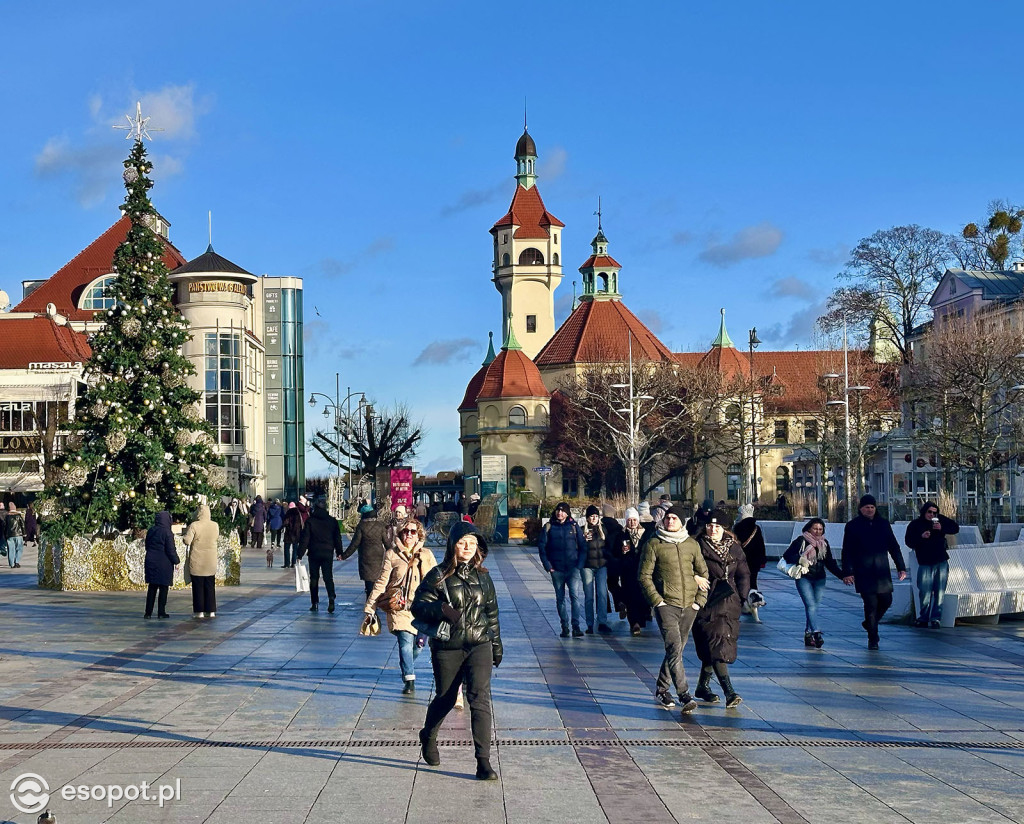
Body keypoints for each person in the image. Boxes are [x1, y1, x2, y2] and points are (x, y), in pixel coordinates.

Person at [412, 521, 502, 780]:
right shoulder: (438, 575)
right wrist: (441, 609)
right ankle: (428, 734)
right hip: (448, 646)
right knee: (446, 697)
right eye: (463, 542)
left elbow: (492, 613)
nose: (467, 547)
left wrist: (496, 645)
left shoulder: (483, 576)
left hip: (479, 644)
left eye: (472, 543)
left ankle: (483, 762)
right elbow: (418, 606)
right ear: (453, 544)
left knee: (479, 699)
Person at [638, 505, 709, 712]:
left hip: (689, 606)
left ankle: (661, 689)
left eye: (674, 518)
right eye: (667, 518)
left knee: (676, 651)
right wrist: (657, 601)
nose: (670, 522)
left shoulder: (691, 544)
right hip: (666, 605)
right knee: (673, 648)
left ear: (682, 521)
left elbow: (703, 573)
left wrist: (698, 602)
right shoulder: (654, 543)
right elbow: (643, 576)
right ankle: (684, 694)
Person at [364, 519, 437, 693]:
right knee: (405, 643)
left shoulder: (426, 554)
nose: (409, 535)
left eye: (413, 531)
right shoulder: (392, 554)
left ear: (419, 534)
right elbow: (382, 581)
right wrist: (370, 606)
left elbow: (437, 580)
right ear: (400, 534)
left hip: (423, 608)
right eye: (405, 531)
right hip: (400, 607)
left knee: (418, 646)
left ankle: (406, 663)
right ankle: (409, 680)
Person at [692, 509, 750, 707]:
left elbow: (743, 573)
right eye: (710, 525)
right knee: (716, 644)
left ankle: (702, 686)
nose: (713, 529)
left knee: (717, 644)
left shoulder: (734, 547)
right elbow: (684, 568)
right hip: (707, 601)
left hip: (730, 601)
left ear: (724, 528)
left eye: (717, 526)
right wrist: (695, 578)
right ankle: (730, 692)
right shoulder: (696, 545)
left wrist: (742, 596)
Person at [842, 494, 907, 650]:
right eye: (866, 507)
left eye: (872, 507)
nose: (870, 510)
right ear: (861, 509)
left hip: (881, 571)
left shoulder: (883, 524)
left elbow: (894, 546)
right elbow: (847, 551)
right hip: (863, 571)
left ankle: (869, 623)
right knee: (870, 605)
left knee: (886, 601)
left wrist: (901, 567)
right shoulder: (852, 526)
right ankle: (873, 638)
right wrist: (847, 572)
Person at [782, 518, 847, 648]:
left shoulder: (824, 543)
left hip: (820, 579)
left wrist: (843, 576)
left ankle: (808, 634)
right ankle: (816, 632)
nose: (817, 531)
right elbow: (787, 555)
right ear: (809, 529)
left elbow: (830, 563)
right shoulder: (801, 541)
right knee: (810, 605)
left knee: (813, 607)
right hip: (804, 577)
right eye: (815, 529)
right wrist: (800, 559)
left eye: (820, 529)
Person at [904, 501, 960, 628]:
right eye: (929, 512)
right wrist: (921, 536)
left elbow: (955, 528)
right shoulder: (916, 524)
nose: (932, 515)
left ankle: (936, 618)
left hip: (940, 560)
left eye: (935, 512)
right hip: (925, 561)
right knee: (924, 591)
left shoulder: (939, 521)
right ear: (924, 512)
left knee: (939, 591)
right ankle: (923, 617)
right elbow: (909, 541)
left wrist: (942, 528)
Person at [537, 501, 587, 637]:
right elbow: (542, 547)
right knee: (560, 599)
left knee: (574, 597)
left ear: (567, 513)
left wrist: (579, 565)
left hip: (573, 568)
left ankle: (576, 626)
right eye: (558, 510)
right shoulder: (549, 527)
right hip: (556, 569)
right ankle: (564, 626)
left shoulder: (574, 526)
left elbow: (583, 547)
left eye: (563, 511)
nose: (560, 513)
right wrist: (548, 566)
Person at [607, 507, 653, 635]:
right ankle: (634, 623)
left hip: (643, 569)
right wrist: (621, 554)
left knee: (642, 596)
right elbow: (615, 552)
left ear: (638, 520)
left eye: (634, 520)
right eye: (629, 520)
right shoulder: (621, 535)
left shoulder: (646, 533)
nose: (632, 522)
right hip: (627, 570)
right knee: (630, 596)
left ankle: (641, 619)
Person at [297, 500, 344, 613]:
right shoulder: (332, 521)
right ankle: (331, 597)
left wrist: (300, 554)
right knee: (328, 577)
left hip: (314, 553)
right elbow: (337, 538)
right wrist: (339, 552)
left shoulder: (310, 521)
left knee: (314, 578)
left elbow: (305, 539)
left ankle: (314, 603)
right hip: (327, 553)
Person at [342, 502, 390, 599]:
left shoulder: (361, 526)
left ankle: (370, 600)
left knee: (369, 580)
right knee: (378, 577)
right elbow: (386, 542)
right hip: (378, 555)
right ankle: (377, 599)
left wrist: (344, 555)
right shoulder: (380, 525)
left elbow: (354, 544)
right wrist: (394, 552)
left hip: (366, 556)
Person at [183, 504, 220, 619]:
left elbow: (187, 541)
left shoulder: (194, 525)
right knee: (210, 586)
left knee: (198, 587)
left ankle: (199, 612)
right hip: (210, 560)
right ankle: (211, 611)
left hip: (198, 560)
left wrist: (184, 537)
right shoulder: (215, 525)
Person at [581, 505, 612, 634]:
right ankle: (589, 623)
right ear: (587, 518)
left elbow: (609, 545)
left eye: (595, 516)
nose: (593, 518)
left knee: (602, 594)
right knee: (589, 596)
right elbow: (577, 547)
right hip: (587, 566)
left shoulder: (603, 529)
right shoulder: (582, 530)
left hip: (601, 566)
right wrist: (583, 541)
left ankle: (602, 622)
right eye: (591, 516)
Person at [734, 504, 767, 617]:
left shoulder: (737, 527)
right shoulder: (756, 528)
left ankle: (743, 604)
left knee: (740, 581)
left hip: (741, 560)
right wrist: (762, 559)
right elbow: (761, 545)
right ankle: (753, 606)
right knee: (753, 582)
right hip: (755, 561)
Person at [144, 511, 179, 619]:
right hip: (164, 563)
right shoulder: (167, 532)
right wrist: (176, 561)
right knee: (163, 588)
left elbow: (147, 545)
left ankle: (148, 613)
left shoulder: (151, 530)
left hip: (151, 561)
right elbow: (170, 550)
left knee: (152, 588)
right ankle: (161, 612)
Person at [5, 502, 26, 568]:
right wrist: (24, 533)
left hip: (10, 535)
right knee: (19, 548)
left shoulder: (7, 517)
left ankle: (12, 564)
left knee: (11, 549)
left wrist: (5, 534)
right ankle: (16, 561)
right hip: (18, 535)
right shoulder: (18, 516)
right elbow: (22, 525)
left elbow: (5, 526)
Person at [282, 502, 303, 568]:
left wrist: (285, 526)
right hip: (296, 533)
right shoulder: (298, 513)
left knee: (286, 548)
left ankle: (287, 563)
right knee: (295, 549)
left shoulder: (288, 513)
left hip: (289, 533)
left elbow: (285, 522)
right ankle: (293, 563)